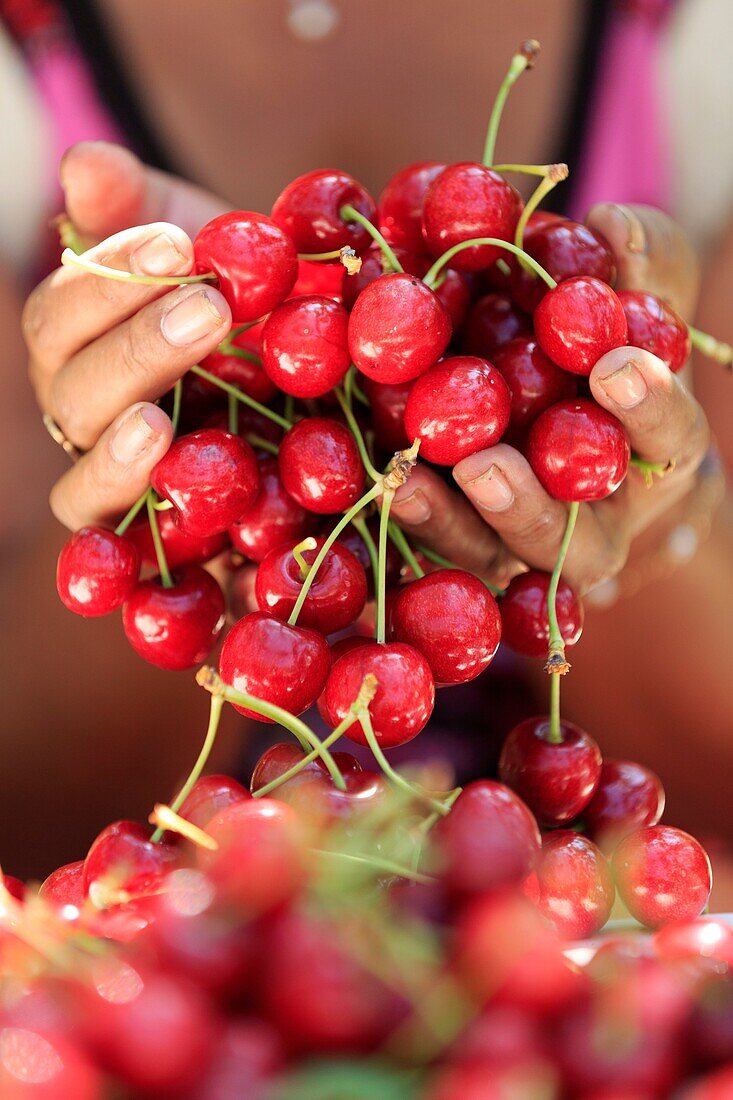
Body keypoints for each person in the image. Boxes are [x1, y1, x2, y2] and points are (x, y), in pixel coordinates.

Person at [1, 0, 731, 878]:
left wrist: (646, 525)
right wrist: (175, 486)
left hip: (556, 944)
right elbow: (32, 827)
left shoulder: (695, 38)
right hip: (213, 943)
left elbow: (709, 812)